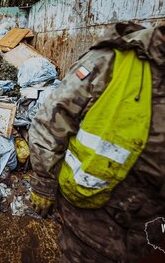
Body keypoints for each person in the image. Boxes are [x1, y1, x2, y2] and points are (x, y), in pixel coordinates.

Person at [28, 22, 165, 262]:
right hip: (93, 213)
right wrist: (42, 183)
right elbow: (51, 119)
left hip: (151, 222)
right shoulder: (113, 60)